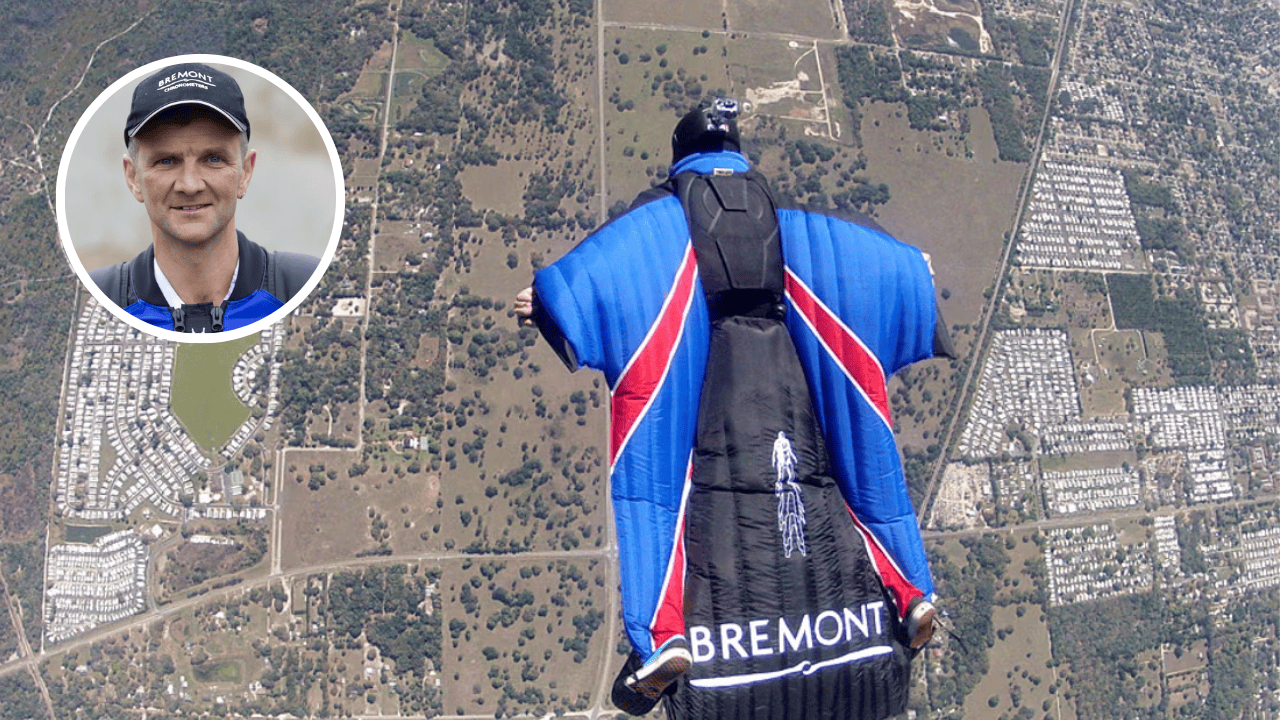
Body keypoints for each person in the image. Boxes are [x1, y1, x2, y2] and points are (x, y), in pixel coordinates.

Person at [516, 99, 953, 720]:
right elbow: (888, 265)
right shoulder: (796, 224)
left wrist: (544, 299)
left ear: (681, 157)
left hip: (703, 386)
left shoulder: (660, 224)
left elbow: (590, 282)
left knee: (659, 506)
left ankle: (659, 641)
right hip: (797, 380)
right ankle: (911, 593)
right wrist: (919, 275)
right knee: (864, 489)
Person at [89, 62, 319, 333]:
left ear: (245, 172)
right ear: (133, 178)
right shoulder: (98, 301)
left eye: (213, 159)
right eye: (166, 161)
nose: (190, 184)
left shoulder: (305, 286)